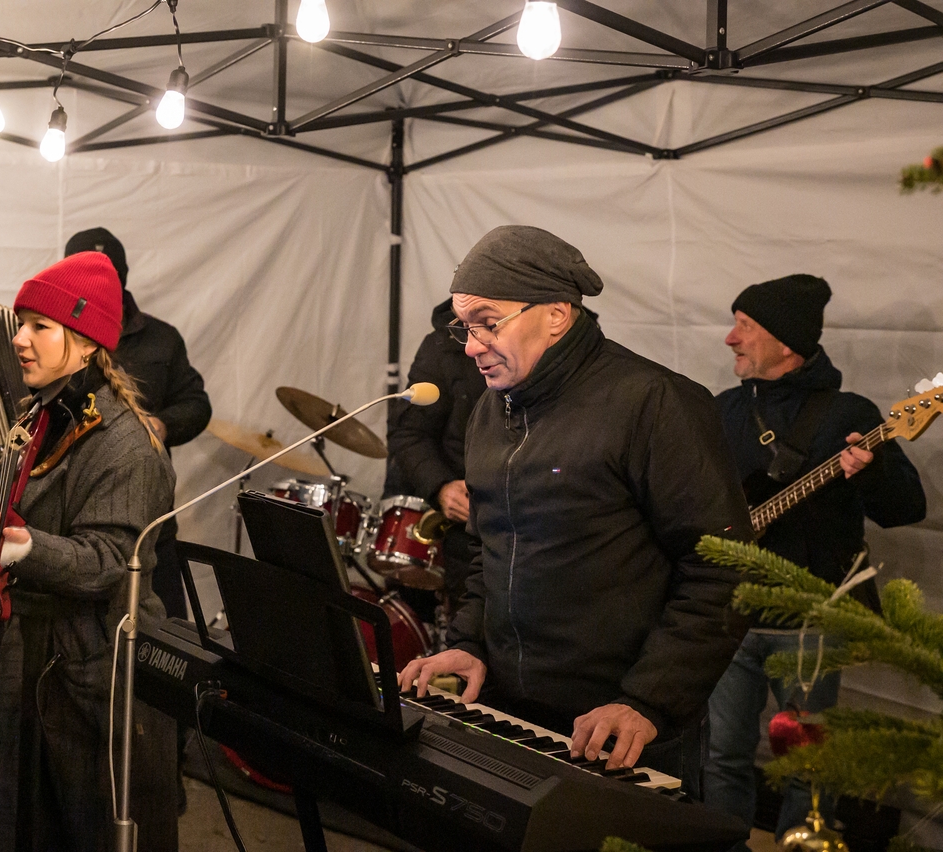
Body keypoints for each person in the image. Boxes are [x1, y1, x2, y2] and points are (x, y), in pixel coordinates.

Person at [397, 225, 752, 792]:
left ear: (557, 315)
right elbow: (493, 550)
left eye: (488, 323)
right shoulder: (491, 410)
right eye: (464, 327)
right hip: (510, 711)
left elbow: (724, 571)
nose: (470, 346)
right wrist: (468, 644)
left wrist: (649, 701)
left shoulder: (656, 403)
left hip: (624, 726)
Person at [0, 251, 179, 852]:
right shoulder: (36, 419)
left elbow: (109, 562)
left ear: (85, 344)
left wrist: (24, 550)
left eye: (40, 326)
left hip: (97, 675)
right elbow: (10, 525)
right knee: (27, 829)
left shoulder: (127, 444)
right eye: (20, 323)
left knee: (92, 833)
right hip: (32, 659)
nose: (18, 339)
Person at [705, 275, 926, 840]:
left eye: (745, 326)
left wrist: (871, 471)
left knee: (809, 764)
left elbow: (907, 509)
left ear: (787, 342)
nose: (730, 338)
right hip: (729, 615)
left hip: (812, 623)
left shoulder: (849, 413)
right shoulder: (724, 409)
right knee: (721, 755)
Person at [62, 228, 211, 623]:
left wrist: (162, 424)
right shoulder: (55, 339)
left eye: (107, 277)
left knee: (165, 639)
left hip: (151, 521)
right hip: (76, 524)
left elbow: (196, 403)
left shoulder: (162, 338)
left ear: (123, 278)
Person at [384, 296, 487, 616]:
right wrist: (441, 487)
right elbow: (408, 432)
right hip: (463, 541)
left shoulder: (569, 347)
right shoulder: (442, 344)